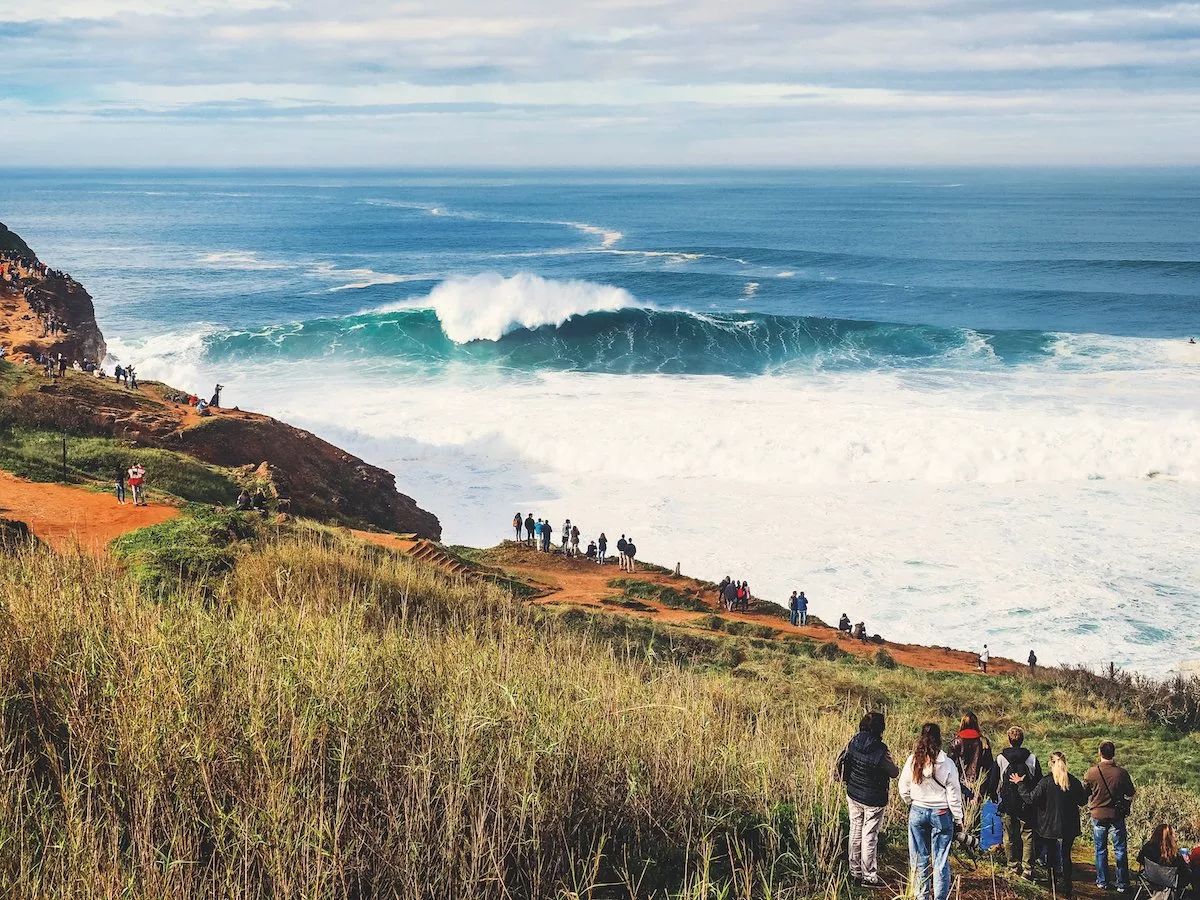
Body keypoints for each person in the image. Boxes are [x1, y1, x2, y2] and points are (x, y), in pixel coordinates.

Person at [899, 723, 964, 900]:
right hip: (941, 813)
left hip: (918, 809)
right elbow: (954, 794)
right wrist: (958, 818)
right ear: (939, 738)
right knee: (940, 860)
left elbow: (903, 787)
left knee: (919, 857)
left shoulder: (913, 760)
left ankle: (921, 896)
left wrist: (910, 802)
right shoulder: (947, 763)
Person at [835, 712, 900, 887]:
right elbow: (894, 772)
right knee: (869, 835)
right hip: (874, 798)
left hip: (854, 793)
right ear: (880, 728)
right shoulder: (881, 749)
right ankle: (869, 876)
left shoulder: (853, 741)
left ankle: (854, 872)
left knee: (855, 830)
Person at [1012, 751, 1088, 898]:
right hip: (1069, 826)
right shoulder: (1072, 781)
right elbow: (1082, 801)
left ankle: (1052, 884)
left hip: (1048, 825)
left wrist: (1020, 784)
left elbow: (1031, 799)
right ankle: (1068, 887)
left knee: (1051, 855)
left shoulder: (1046, 782)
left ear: (1050, 764)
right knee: (1066, 856)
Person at [1085, 740, 1136, 893]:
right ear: (1113, 753)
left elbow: (1085, 792)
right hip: (1116, 815)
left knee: (1100, 849)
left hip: (1098, 815)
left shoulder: (1091, 772)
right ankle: (1122, 883)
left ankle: (1102, 881)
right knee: (1120, 849)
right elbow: (1130, 792)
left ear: (1099, 753)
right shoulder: (1121, 773)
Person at [996, 726, 1042, 878]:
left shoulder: (1001, 758)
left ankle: (1012, 866)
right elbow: (1038, 780)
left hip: (1008, 802)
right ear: (1022, 740)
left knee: (1009, 836)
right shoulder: (1031, 758)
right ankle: (1027, 868)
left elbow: (994, 780)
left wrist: (993, 795)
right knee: (1027, 835)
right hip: (1026, 801)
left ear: (1008, 739)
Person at [1138, 824, 1191, 895]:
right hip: (1170, 882)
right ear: (1170, 837)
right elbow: (1183, 871)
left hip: (1150, 878)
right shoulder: (1173, 855)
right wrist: (1187, 862)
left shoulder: (1147, 847)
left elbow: (1140, 860)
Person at [947, 712, 995, 789]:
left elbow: (949, 763)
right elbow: (989, 765)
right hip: (979, 782)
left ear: (962, 724)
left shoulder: (956, 741)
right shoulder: (983, 741)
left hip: (959, 782)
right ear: (976, 724)